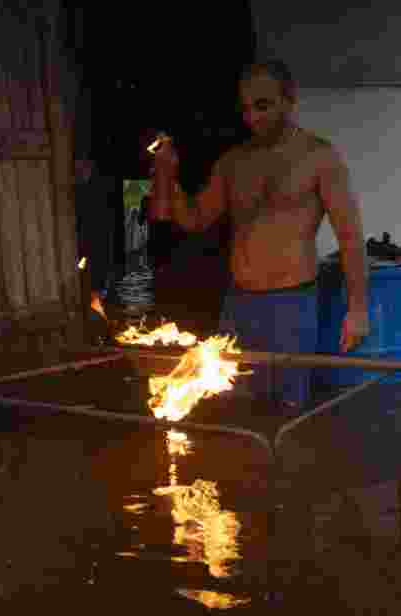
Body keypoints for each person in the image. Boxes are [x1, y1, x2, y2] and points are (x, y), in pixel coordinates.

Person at [151, 59, 370, 412]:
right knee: (231, 407)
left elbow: (350, 237)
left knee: (288, 409)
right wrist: (169, 175)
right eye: (246, 109)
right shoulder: (233, 162)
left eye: (263, 106)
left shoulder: (319, 157)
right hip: (238, 305)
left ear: (290, 99)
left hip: (292, 304)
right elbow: (194, 220)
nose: (252, 118)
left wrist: (358, 309)